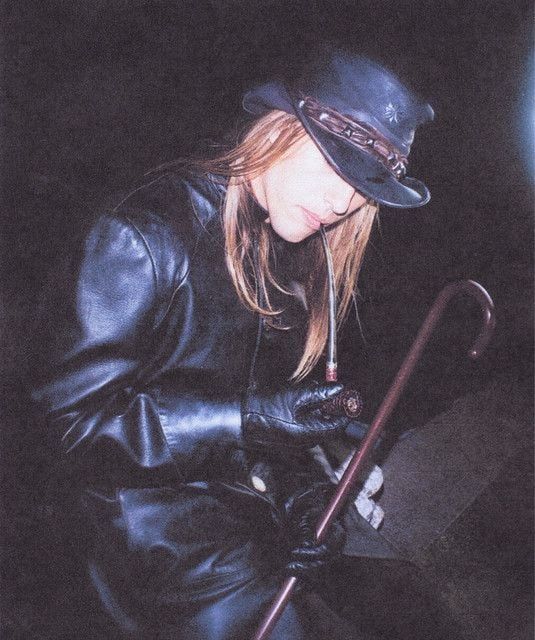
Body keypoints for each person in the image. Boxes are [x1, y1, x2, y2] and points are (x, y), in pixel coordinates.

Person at [30, 48, 434, 639]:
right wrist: (245, 419)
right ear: (279, 128)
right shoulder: (146, 237)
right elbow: (63, 429)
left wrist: (305, 499)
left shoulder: (289, 253)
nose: (342, 204)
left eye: (362, 188)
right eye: (335, 168)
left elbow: (267, 417)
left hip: (237, 531)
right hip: (136, 552)